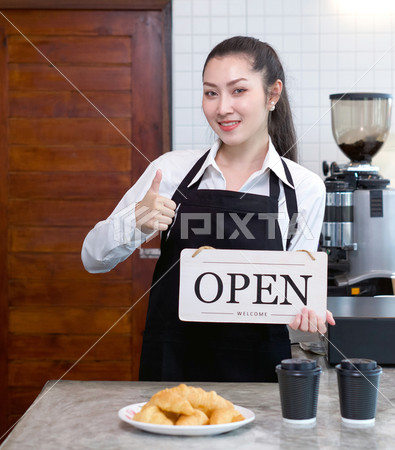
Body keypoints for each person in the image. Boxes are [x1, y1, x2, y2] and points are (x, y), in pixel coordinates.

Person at [82, 36, 335, 382]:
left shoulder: (304, 189)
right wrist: (135, 223)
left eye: (238, 91)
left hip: (259, 374)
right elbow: (92, 258)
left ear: (273, 94)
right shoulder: (168, 171)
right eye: (211, 92)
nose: (222, 108)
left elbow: (296, 296)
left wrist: (308, 315)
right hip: (172, 365)